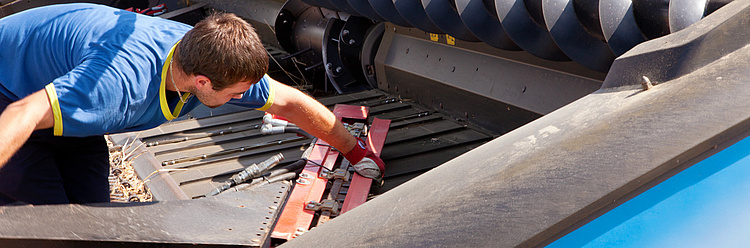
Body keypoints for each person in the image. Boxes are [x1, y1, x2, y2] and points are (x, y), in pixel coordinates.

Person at [0, 3, 384, 205]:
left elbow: (290, 103)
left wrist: (354, 151)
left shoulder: (211, 59)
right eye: (234, 94)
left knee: (95, 215)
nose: (241, 100)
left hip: (58, 96)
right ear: (201, 82)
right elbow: (22, 114)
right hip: (10, 95)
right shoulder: (117, 86)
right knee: (48, 221)